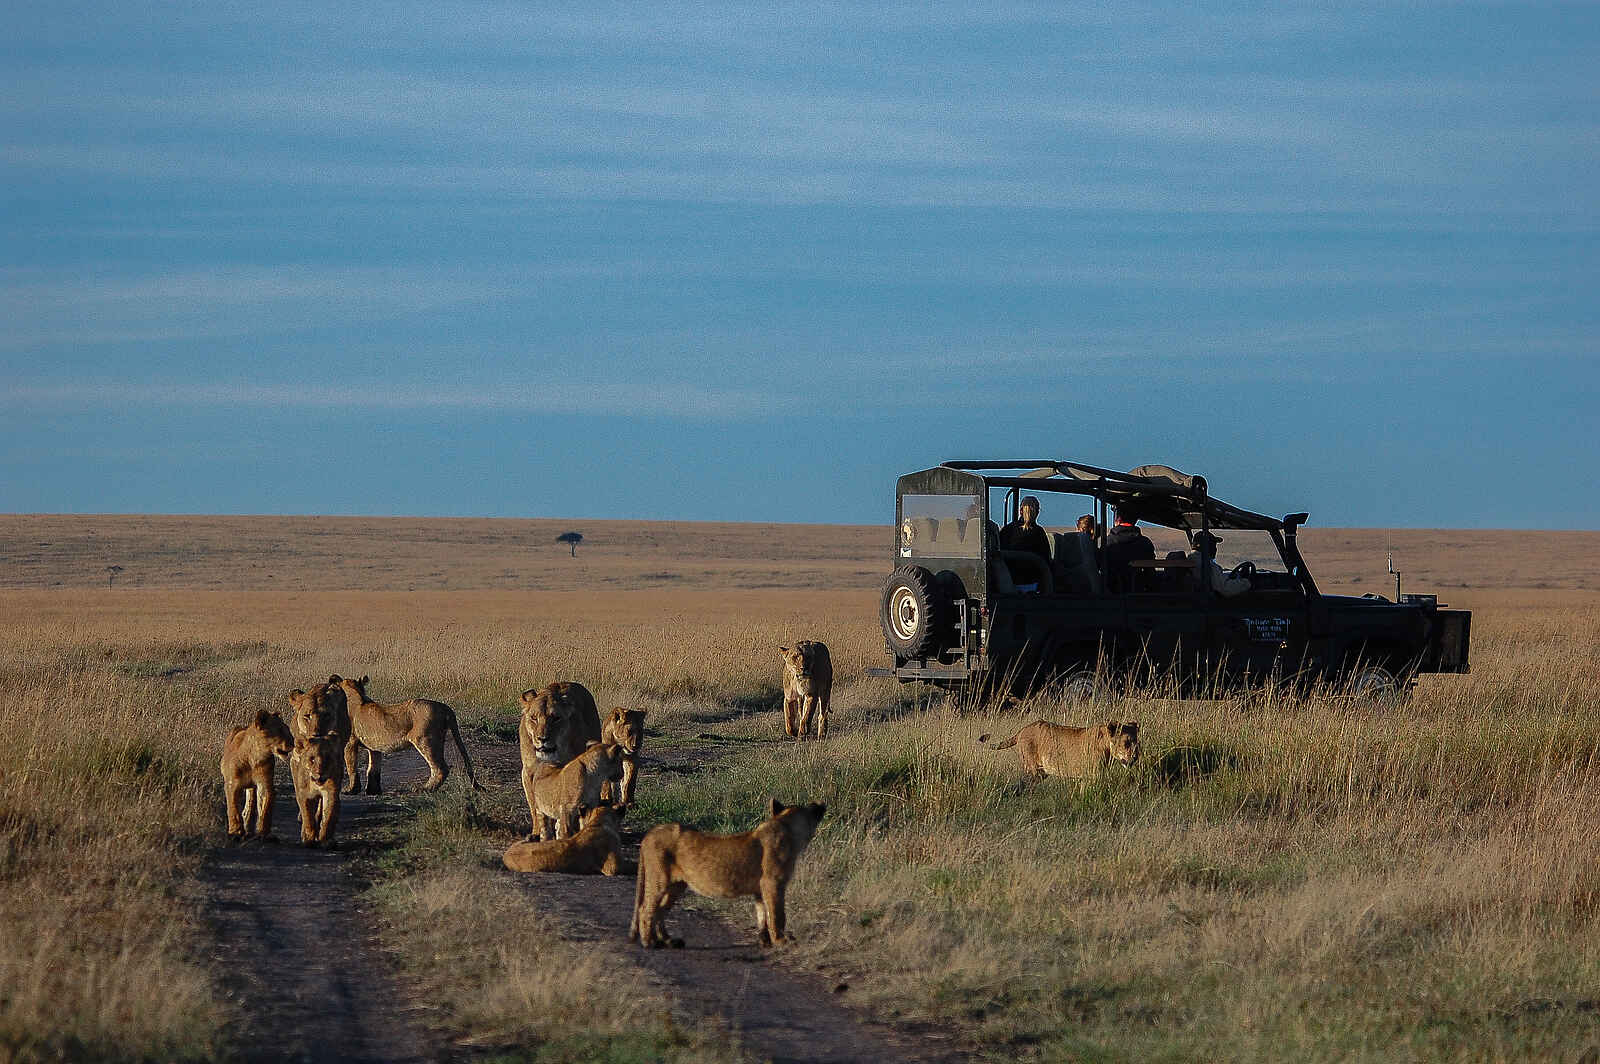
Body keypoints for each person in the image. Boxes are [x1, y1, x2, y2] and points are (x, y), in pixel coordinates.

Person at [1103, 510, 1155, 592]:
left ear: (1118, 520)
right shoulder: (1145, 543)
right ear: (1135, 520)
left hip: (1112, 593)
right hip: (1139, 593)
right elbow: (1150, 573)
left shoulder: (1108, 542)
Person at [1190, 531, 1251, 597]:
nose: (1215, 549)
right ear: (1206, 546)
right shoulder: (1208, 564)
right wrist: (1247, 583)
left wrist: (1232, 576)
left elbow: (1217, 579)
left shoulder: (1193, 559)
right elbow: (1224, 589)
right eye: (1213, 545)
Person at [999, 495, 1051, 562]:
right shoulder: (1039, 532)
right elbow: (1046, 558)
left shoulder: (1008, 529)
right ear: (1037, 512)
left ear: (1020, 511)